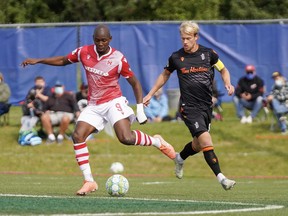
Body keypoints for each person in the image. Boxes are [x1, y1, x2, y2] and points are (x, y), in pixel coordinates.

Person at [21, 24, 175, 196]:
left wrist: (139, 108)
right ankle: (89, 181)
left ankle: (157, 142)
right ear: (93, 39)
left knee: (125, 138)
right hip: (94, 105)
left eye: (103, 40)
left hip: (113, 101)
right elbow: (63, 60)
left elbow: (135, 83)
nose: (100, 43)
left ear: (109, 39)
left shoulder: (118, 58)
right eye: (97, 40)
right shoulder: (84, 52)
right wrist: (39, 60)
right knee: (77, 136)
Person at [143, 21, 236, 190]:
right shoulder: (176, 57)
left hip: (206, 107)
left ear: (196, 37)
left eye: (188, 38)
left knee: (198, 144)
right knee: (206, 139)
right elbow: (164, 75)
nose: (184, 42)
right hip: (188, 107)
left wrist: (228, 84)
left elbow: (223, 70)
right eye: (182, 38)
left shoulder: (209, 54)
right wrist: (149, 94)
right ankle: (222, 178)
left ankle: (179, 158)